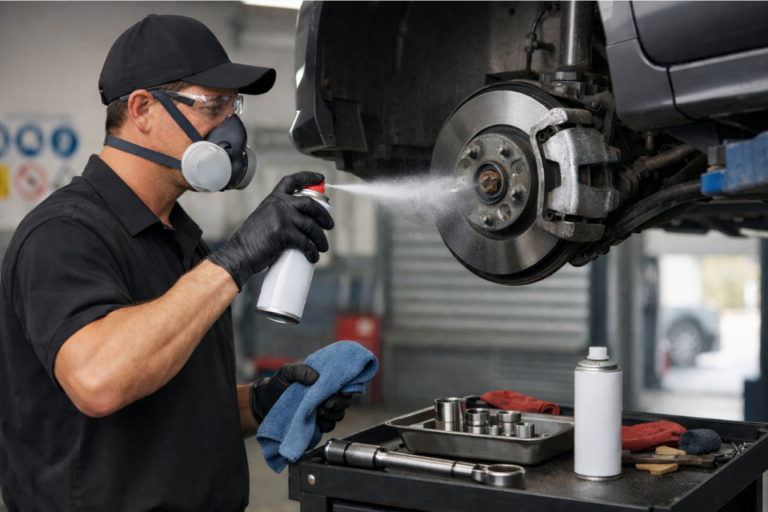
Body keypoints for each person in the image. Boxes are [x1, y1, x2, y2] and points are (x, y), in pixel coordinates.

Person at [0, 14, 351, 511]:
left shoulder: (180, 241)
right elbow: (100, 380)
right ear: (143, 108)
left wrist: (261, 402)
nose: (231, 126)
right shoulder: (63, 234)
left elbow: (167, 399)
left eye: (235, 105)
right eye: (213, 105)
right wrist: (236, 260)